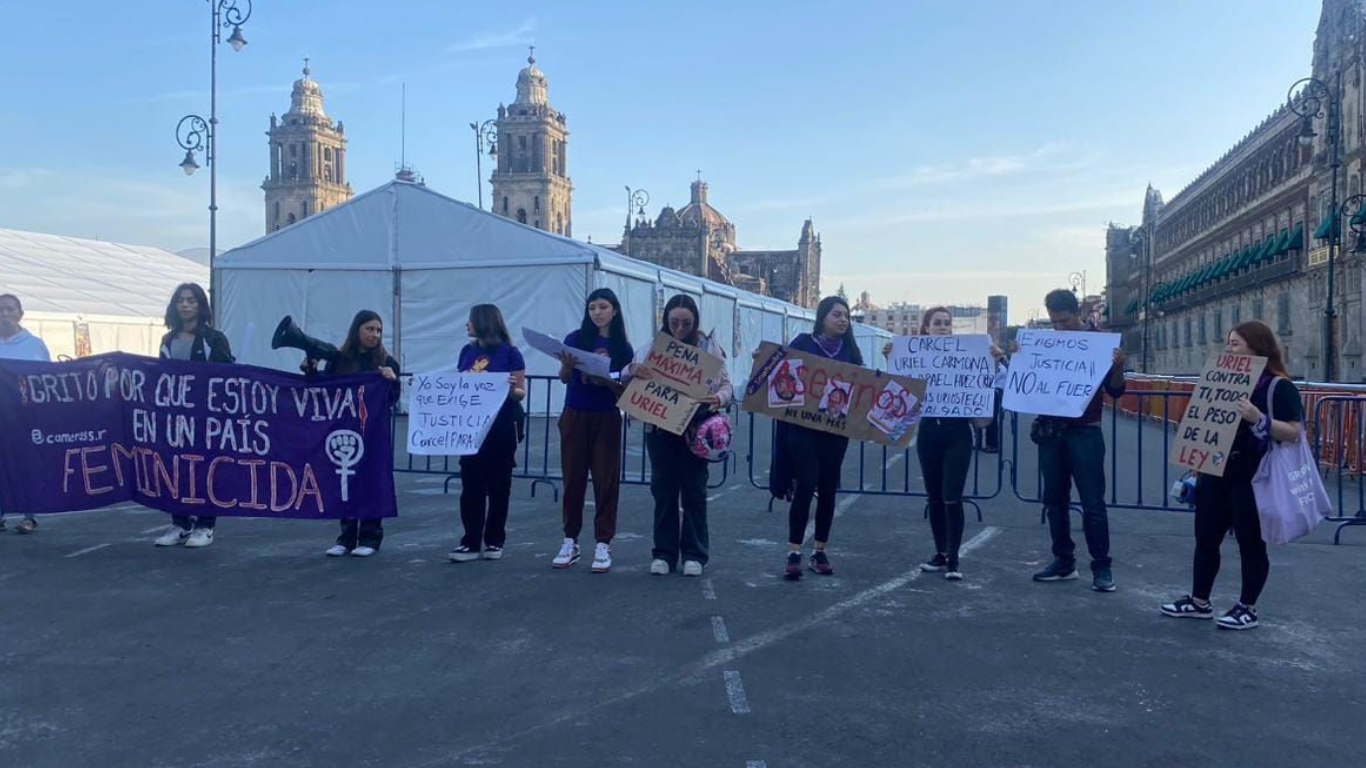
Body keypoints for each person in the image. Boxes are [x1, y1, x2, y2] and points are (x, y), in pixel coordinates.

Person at [1161, 321, 1302, 630]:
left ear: (1257, 346)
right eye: (1228, 343)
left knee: (1250, 541)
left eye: (1235, 344)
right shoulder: (1221, 378)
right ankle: (1199, 601)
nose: (1229, 349)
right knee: (1205, 537)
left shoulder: (1278, 386)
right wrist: (1197, 454)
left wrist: (1259, 418)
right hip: (1216, 468)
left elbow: (1294, 431)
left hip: (1253, 473)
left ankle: (1247, 607)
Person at [882, 306, 1002, 580]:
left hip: (957, 433)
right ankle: (941, 553)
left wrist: (994, 361)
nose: (943, 327)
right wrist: (891, 358)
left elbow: (983, 384)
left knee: (952, 495)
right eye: (937, 323)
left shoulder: (967, 353)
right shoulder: (914, 356)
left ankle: (954, 560)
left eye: (947, 323)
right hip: (929, 432)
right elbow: (900, 387)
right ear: (926, 328)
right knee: (934, 496)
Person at [625, 295, 732, 577]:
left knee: (694, 492)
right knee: (664, 493)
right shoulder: (652, 347)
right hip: (660, 431)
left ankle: (695, 554)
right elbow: (627, 375)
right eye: (674, 323)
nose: (680, 328)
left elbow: (726, 385)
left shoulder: (710, 350)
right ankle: (664, 553)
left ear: (695, 321)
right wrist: (631, 369)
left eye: (686, 323)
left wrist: (719, 398)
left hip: (695, 431)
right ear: (666, 320)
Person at [1030, 289, 1127, 591]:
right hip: (1052, 431)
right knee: (1054, 500)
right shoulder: (1045, 344)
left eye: (1064, 321)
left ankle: (1102, 567)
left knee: (1092, 502)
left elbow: (1116, 390)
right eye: (1054, 322)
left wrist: (1118, 366)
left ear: (1077, 314)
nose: (1059, 327)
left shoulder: (1101, 342)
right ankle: (1063, 561)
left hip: (1085, 430)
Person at [303, 310, 400, 558]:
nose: (375, 335)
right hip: (344, 430)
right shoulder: (339, 360)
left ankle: (370, 537)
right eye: (370, 329)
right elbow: (324, 392)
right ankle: (346, 538)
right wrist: (311, 372)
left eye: (379, 330)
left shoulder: (387, 362)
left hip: (373, 434)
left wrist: (393, 380)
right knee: (345, 483)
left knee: (371, 482)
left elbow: (392, 399)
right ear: (357, 330)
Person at [551, 288, 634, 573]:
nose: (597, 312)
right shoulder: (575, 339)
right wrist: (566, 367)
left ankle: (603, 542)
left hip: (606, 416)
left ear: (615, 310)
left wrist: (605, 381)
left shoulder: (623, 347)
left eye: (603, 307)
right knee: (573, 478)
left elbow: (626, 390)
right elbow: (564, 378)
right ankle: (570, 540)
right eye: (592, 308)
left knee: (605, 479)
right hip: (575, 413)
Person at [781, 295, 863, 579]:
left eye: (846, 316)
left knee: (828, 488)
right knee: (805, 485)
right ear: (822, 317)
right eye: (836, 314)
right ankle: (794, 551)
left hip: (835, 432)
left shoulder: (850, 351)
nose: (843, 320)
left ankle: (819, 550)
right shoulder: (803, 343)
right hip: (803, 429)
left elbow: (864, 387)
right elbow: (779, 370)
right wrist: (762, 361)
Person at [154, 283, 235, 548]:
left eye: (191, 300)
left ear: (201, 306)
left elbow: (226, 376)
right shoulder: (167, 340)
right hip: (176, 416)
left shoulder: (214, 339)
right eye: (181, 300)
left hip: (205, 417)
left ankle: (205, 525)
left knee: (204, 469)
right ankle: (180, 522)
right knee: (175, 468)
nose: (186, 305)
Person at [448, 304, 527, 563]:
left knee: (499, 486)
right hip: (471, 428)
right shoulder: (467, 352)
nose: (467, 324)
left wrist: (512, 389)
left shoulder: (511, 353)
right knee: (471, 485)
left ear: (483, 322)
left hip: (501, 426)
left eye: (470, 320)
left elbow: (521, 393)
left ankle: (494, 540)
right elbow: (459, 385)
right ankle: (470, 541)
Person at [0, 293, 51, 535]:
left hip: (24, 416)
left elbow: (47, 379)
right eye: (1, 309)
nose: (5, 314)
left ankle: (29, 516)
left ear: (20, 314)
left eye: (10, 309)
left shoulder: (34, 344)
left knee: (25, 463)